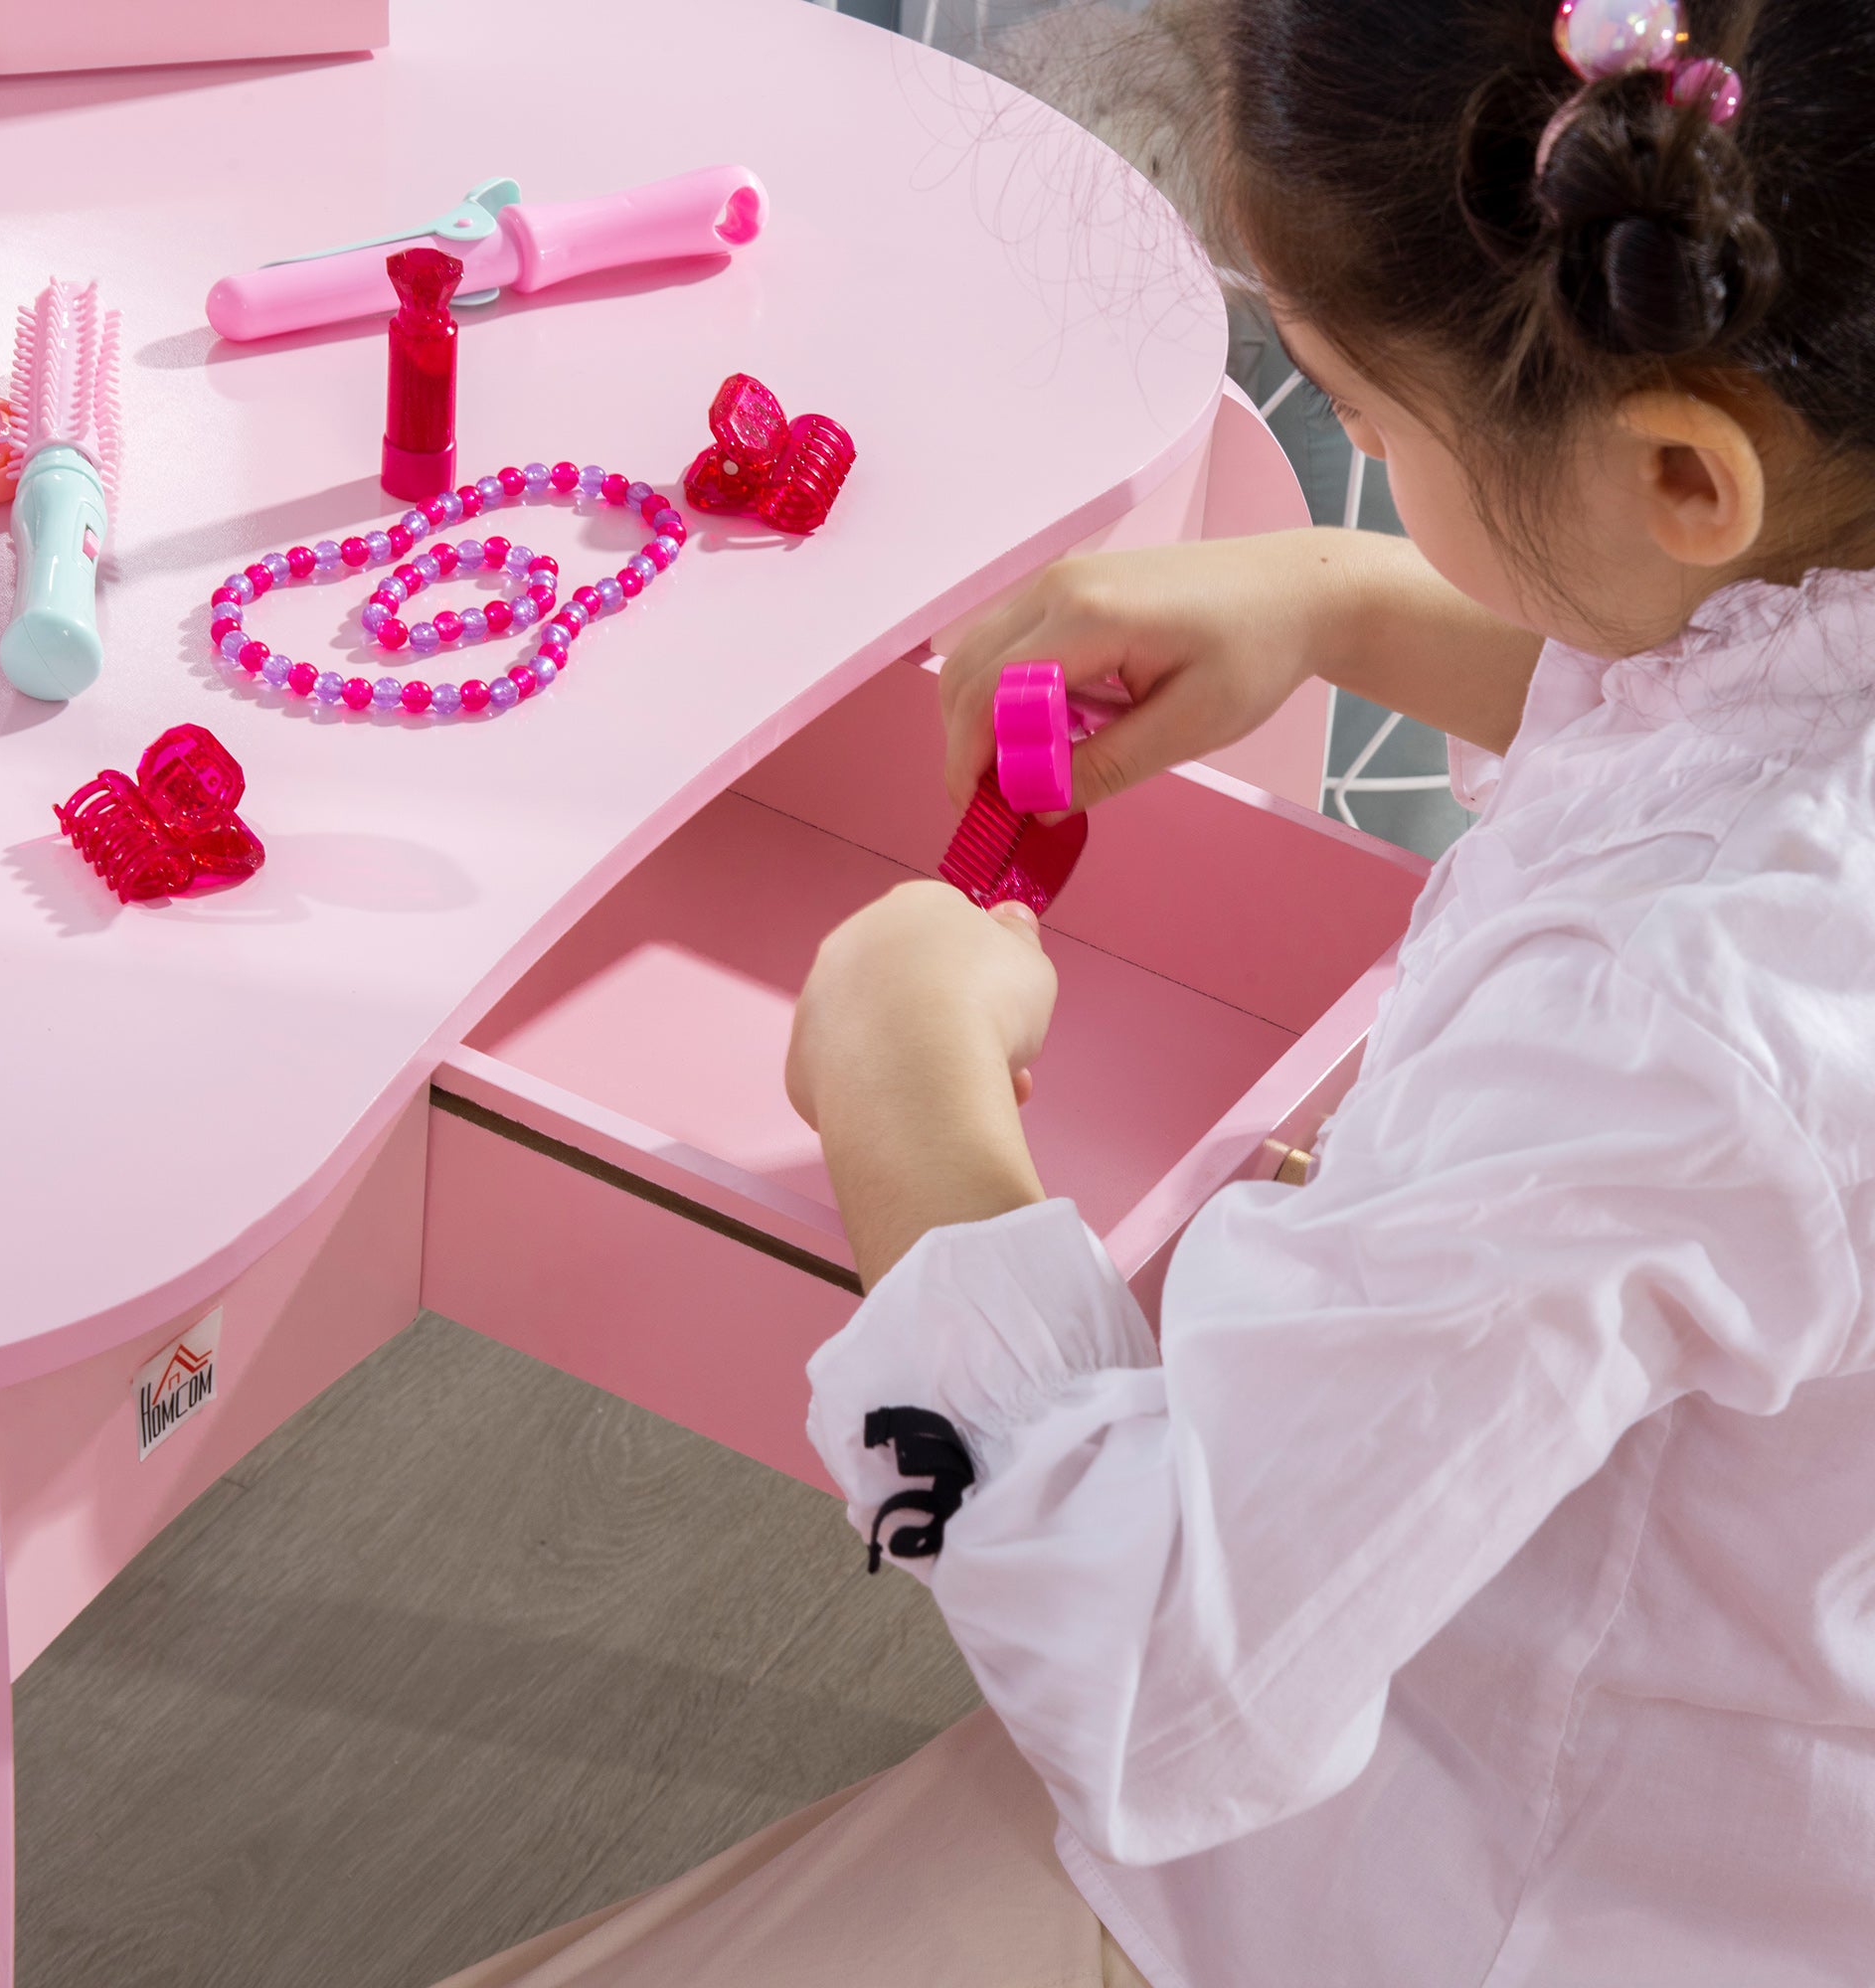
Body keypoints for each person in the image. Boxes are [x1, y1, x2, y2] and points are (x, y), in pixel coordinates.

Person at [444, 1, 1875, 1982]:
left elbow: (1165, 1669)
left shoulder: (1664, 1031)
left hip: (1474, 1883)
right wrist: (1337, 597)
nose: (1352, 471)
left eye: (1364, 434)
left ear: (1683, 476)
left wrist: (906, 1100)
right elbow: (1739, 723)